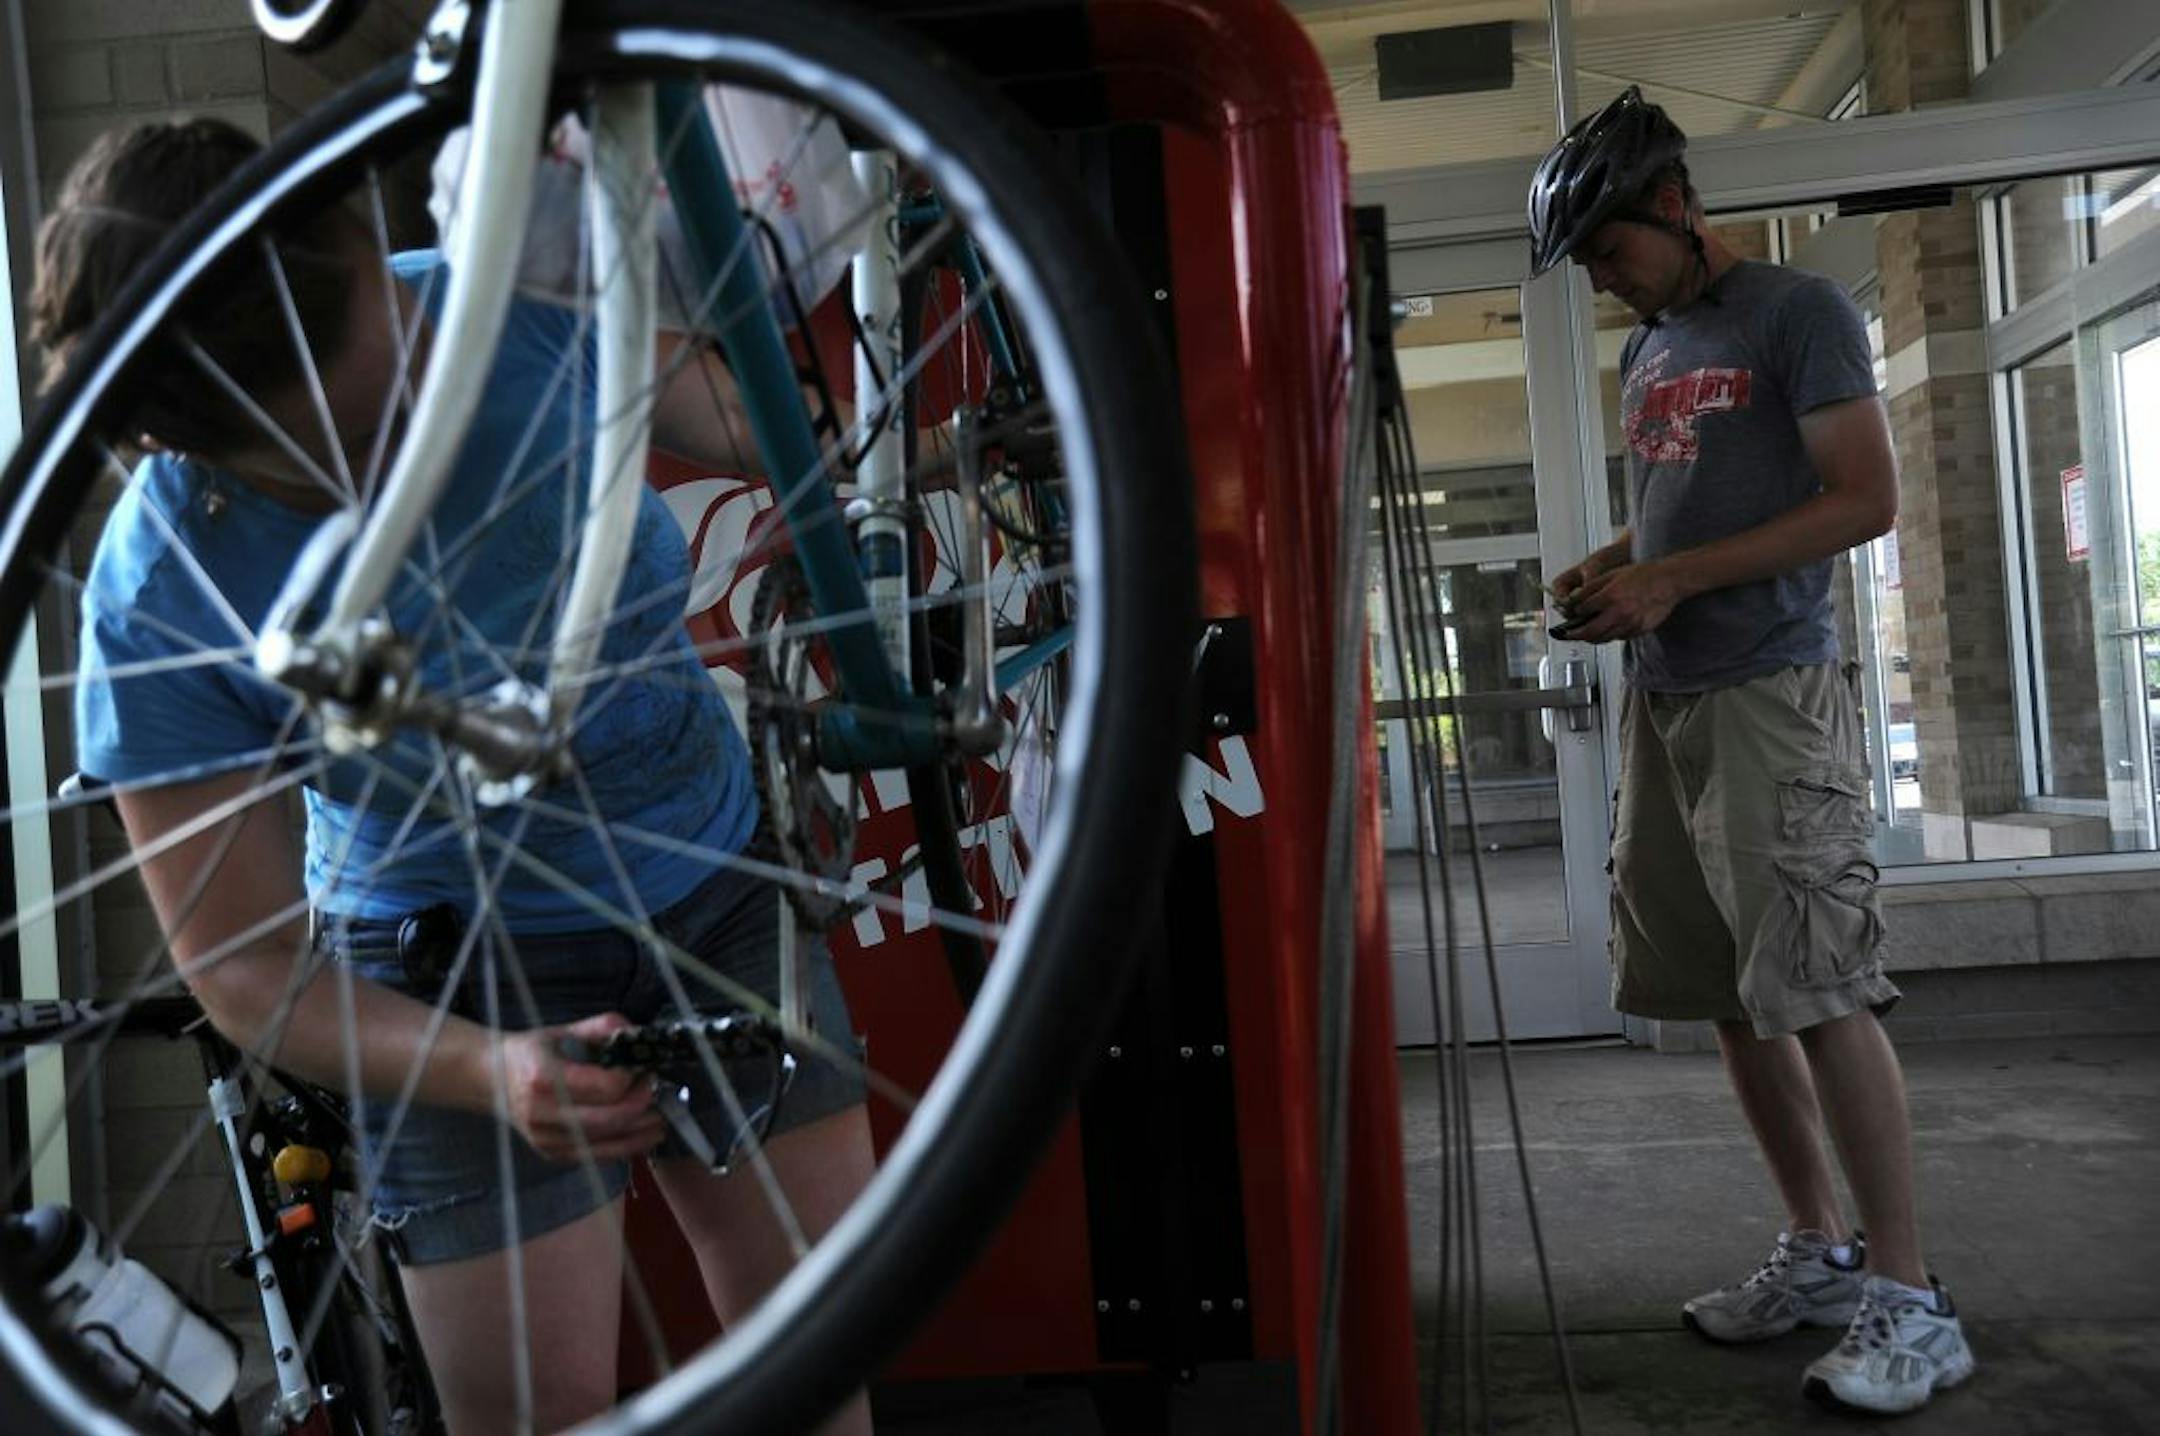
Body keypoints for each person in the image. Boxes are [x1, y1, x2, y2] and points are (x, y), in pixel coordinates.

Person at [31, 118, 876, 1436]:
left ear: (375, 251)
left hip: (717, 884)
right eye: (331, 475)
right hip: (447, 978)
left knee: (819, 1375)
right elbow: (243, 967)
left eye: (408, 403)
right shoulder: (156, 605)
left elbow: (788, 435)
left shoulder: (508, 309)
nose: (395, 474)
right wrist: (490, 1074)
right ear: (191, 452)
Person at [1527, 88, 1976, 1416]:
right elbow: (1691, 498)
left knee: (1820, 991)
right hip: (1666, 701)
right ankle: (1823, 1254)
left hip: (1772, 695)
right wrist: (1614, 565)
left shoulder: (1798, 313)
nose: (1606, 283)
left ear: (1672, 206)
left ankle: (1911, 1296)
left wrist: (1669, 585)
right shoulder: (1653, 347)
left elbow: (1864, 499)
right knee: (1727, 991)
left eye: (1611, 251)